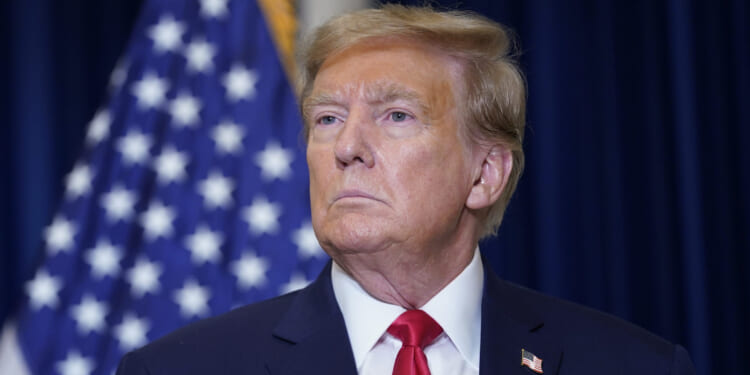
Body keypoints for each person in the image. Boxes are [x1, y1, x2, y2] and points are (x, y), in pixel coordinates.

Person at [116, 5, 696, 375]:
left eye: (395, 116)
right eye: (327, 119)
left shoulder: (634, 365)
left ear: (484, 174)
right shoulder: (181, 368)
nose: (347, 147)